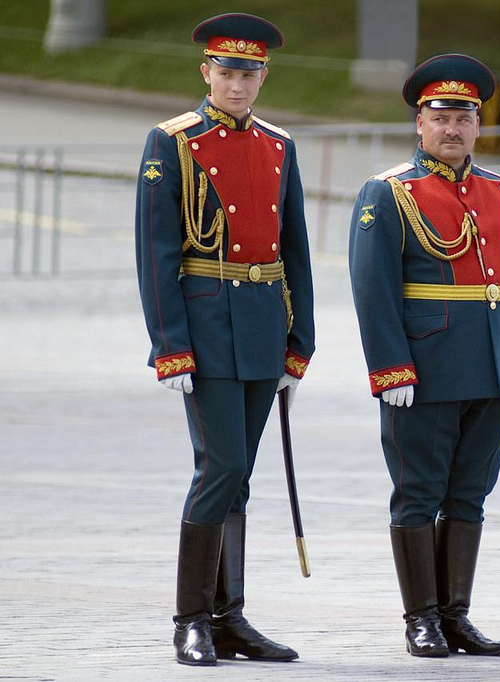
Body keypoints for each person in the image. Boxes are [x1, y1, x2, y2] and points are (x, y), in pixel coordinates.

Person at [348, 53, 500, 658]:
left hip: (489, 364)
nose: (453, 128)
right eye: (441, 117)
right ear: (419, 123)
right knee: (418, 494)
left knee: (469, 495)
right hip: (425, 369)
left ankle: (456, 615)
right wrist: (390, 367)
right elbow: (371, 288)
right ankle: (421, 618)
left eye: (464, 117)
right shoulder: (388, 193)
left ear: (478, 124)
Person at [134, 12, 314, 666]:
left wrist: (302, 339)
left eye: (250, 72)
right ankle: (190, 619)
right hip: (206, 326)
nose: (238, 84)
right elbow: (156, 251)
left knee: (238, 479)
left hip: (265, 323)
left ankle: (228, 617)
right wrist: (169, 344)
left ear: (264, 76)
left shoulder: (278, 143)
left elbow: (295, 246)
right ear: (206, 72)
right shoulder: (173, 141)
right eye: (228, 71)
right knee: (222, 468)